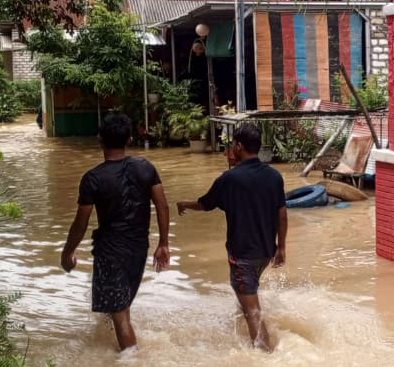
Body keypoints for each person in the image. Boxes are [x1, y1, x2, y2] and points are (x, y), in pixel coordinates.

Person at [61, 113, 170, 351]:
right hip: (139, 248)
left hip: (111, 252)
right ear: (129, 139)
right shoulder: (146, 168)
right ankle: (114, 353)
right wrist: (163, 243)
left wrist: (67, 252)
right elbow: (162, 205)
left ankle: (131, 366)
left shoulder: (93, 178)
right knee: (120, 307)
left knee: (120, 316)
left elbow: (81, 222)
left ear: (99, 140)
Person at [176, 122, 286, 351]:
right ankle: (244, 328)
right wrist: (281, 247)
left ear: (238, 146)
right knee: (247, 296)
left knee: (252, 313)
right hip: (265, 252)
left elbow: (205, 204)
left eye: (232, 146)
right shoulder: (274, 176)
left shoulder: (229, 179)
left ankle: (267, 358)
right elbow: (282, 214)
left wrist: (184, 204)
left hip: (242, 256)